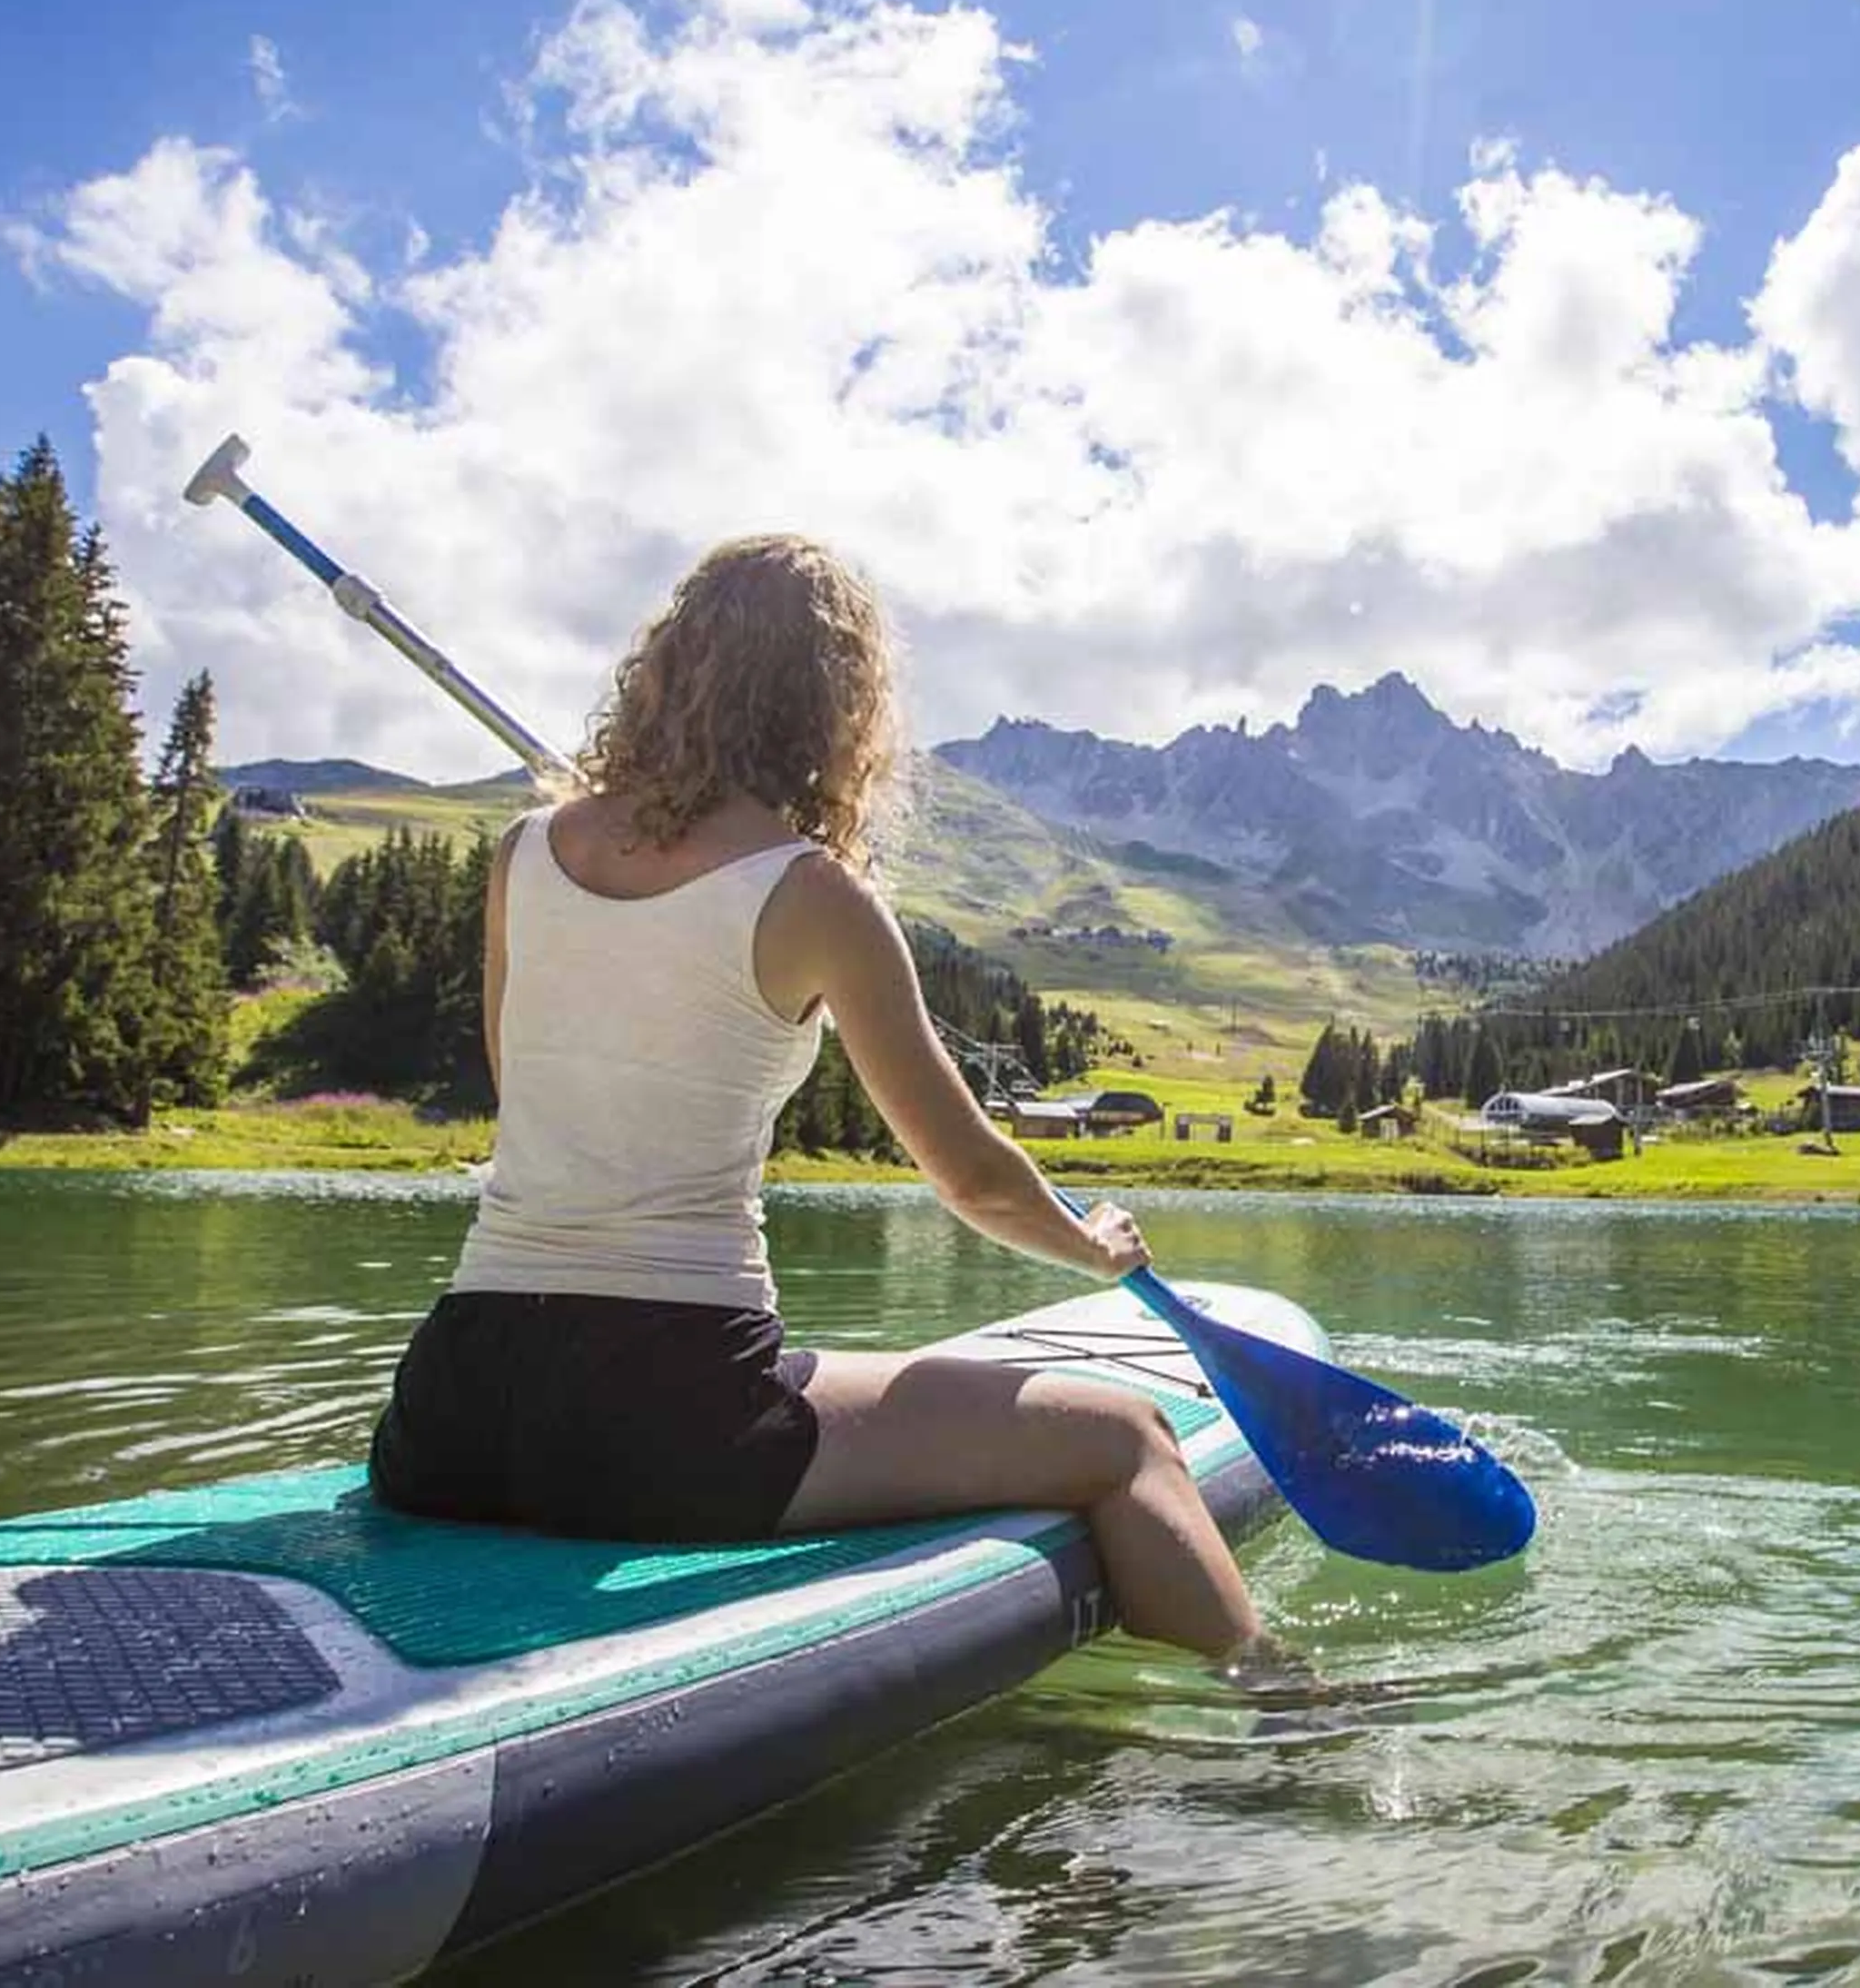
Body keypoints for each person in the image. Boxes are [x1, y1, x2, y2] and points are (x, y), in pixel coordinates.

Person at [365, 534, 1262, 1663]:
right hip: (666, 1421)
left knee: (794, 1373)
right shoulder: (814, 895)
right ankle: (1287, 1726)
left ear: (670, 665)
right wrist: (1096, 1250)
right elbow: (974, 1179)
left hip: (446, 1411)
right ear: (838, 712)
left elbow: (524, 1087)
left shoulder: (523, 851)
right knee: (1128, 1438)